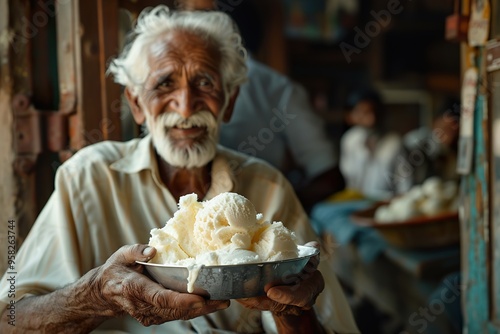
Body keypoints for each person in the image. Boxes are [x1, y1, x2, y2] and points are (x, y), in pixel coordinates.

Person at [0, 6, 359, 334]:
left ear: (229, 102)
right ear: (137, 104)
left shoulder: (268, 186)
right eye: (165, 84)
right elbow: (9, 318)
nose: (186, 107)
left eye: (204, 83)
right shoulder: (88, 177)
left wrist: (294, 311)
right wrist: (95, 296)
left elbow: (332, 327)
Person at [179, 0, 345, 212]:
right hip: (260, 219)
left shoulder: (181, 84)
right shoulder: (278, 88)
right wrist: (277, 205)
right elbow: (328, 176)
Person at [339, 89, 402, 200]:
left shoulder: (394, 142)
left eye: (374, 112)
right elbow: (349, 180)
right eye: (364, 113)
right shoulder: (349, 140)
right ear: (351, 115)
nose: (371, 119)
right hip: (357, 202)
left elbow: (404, 184)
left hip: (387, 203)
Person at [392, 103, 460, 194]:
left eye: (452, 130)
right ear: (434, 122)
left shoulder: (453, 153)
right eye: (445, 128)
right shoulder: (416, 142)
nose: (448, 136)